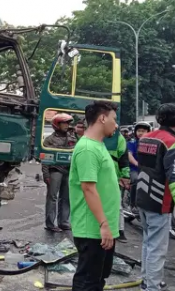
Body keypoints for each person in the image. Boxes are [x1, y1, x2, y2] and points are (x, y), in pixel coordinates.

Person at [69, 100, 119, 290]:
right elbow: (88, 188)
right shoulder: (88, 149)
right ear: (102, 118)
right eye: (113, 119)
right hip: (94, 228)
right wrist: (103, 225)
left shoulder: (98, 145)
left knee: (98, 279)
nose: (115, 124)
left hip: (104, 228)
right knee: (88, 282)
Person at [136, 104, 175, 291]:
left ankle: (146, 280)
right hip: (160, 201)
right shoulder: (170, 142)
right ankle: (152, 287)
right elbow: (174, 177)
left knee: (147, 242)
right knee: (157, 248)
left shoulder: (146, 138)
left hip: (142, 197)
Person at [42, 113, 76, 232]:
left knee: (66, 197)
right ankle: (50, 224)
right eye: (64, 123)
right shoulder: (49, 140)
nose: (67, 125)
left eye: (68, 123)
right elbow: (45, 158)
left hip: (68, 170)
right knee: (52, 197)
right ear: (57, 124)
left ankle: (64, 222)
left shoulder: (72, 138)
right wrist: (46, 174)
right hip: (54, 170)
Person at [108, 133, 130, 243]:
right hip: (96, 175)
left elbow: (124, 158)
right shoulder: (94, 135)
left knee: (118, 205)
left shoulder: (119, 138)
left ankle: (120, 230)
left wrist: (125, 176)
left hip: (114, 176)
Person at [127, 122, 151, 217]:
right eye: (139, 131)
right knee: (137, 180)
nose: (141, 133)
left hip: (147, 169)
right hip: (134, 169)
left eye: (143, 131)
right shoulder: (132, 143)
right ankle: (133, 205)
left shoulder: (152, 144)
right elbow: (129, 155)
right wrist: (137, 164)